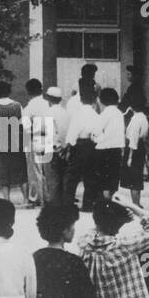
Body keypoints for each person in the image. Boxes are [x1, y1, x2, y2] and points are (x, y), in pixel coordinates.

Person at [0, 81, 27, 204]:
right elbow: (24, 124)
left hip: (0, 145)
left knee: (3, 173)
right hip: (16, 143)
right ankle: (26, 200)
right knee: (21, 173)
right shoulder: (18, 106)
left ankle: (7, 200)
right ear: (9, 91)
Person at [63, 79, 100, 211]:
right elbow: (97, 134)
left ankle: (68, 204)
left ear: (81, 100)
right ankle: (88, 205)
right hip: (91, 146)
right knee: (90, 176)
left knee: (72, 176)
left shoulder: (77, 115)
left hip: (78, 146)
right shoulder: (96, 115)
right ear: (94, 100)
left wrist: (68, 148)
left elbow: (72, 133)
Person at [90, 87, 125, 206]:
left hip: (104, 150)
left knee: (104, 179)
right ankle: (111, 202)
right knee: (113, 178)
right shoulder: (119, 113)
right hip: (117, 150)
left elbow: (96, 130)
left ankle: (105, 204)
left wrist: (95, 139)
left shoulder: (106, 113)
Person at [23, 78, 52, 208]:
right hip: (49, 139)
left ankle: (39, 199)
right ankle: (49, 196)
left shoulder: (29, 107)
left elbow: (25, 126)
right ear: (41, 90)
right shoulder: (48, 104)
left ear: (28, 92)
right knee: (48, 170)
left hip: (34, 139)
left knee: (36, 171)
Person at [40, 86, 69, 207]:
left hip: (50, 149)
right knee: (62, 179)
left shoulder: (47, 113)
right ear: (60, 99)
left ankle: (53, 206)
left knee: (51, 180)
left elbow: (41, 130)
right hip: (64, 149)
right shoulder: (66, 113)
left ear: (48, 99)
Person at [120, 90, 149, 207]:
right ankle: (137, 202)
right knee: (137, 176)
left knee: (133, 177)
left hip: (134, 149)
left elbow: (133, 139)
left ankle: (135, 203)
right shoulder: (143, 117)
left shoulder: (136, 119)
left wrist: (130, 157)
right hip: (141, 146)